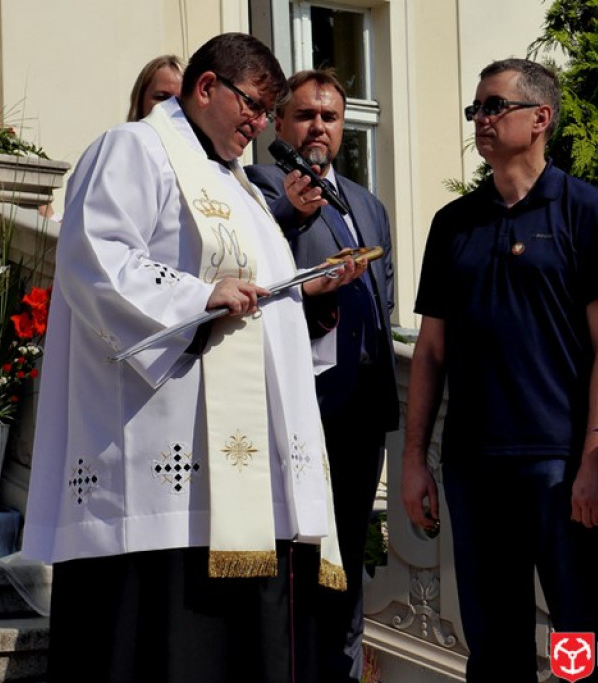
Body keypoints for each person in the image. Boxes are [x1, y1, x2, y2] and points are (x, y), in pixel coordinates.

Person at [22, 33, 367, 683]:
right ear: (206, 87)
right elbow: (97, 262)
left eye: (269, 112)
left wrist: (304, 292)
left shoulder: (233, 184)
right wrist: (200, 294)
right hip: (158, 462)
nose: (262, 125)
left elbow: (255, 296)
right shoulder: (133, 149)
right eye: (255, 105)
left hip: (244, 483)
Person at [400, 58, 598, 682]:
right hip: (474, 467)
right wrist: (415, 459)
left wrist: (594, 459)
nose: (481, 119)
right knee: (494, 646)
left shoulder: (585, 209)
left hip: (557, 463)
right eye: (476, 108)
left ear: (540, 118)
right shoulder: (454, 224)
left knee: (581, 639)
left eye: (494, 106)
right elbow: (429, 353)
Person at [246, 69, 398, 683]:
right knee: (298, 553)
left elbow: (385, 297)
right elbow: (251, 266)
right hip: (295, 405)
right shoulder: (255, 187)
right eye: (306, 116)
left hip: (361, 402)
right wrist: (290, 211)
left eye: (330, 117)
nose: (318, 127)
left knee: (349, 550)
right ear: (280, 125)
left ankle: (340, 667)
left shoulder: (365, 202)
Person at [127, 54, 183, 121]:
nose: (174, 106)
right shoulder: (122, 131)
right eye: (161, 97)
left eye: (181, 101)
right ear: (140, 101)